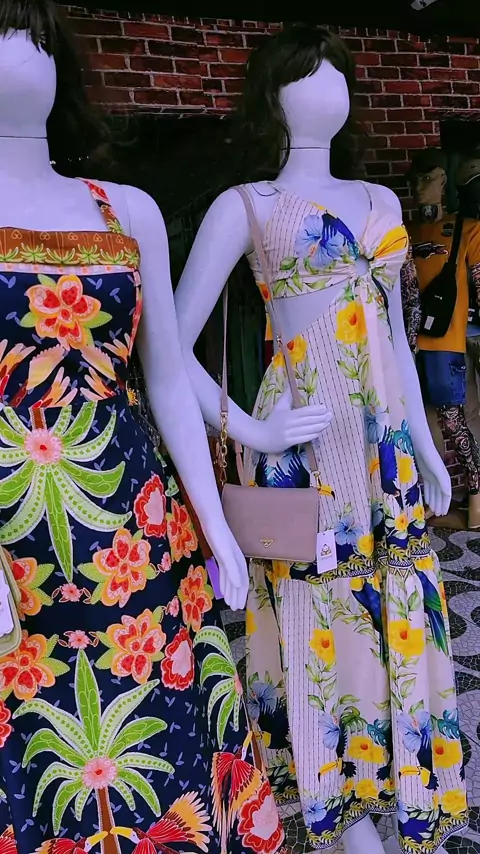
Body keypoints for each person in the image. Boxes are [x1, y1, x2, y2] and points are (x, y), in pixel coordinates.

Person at [0, 5, 286, 854]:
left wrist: (216, 522)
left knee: (162, 718)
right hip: (16, 531)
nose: (16, 56)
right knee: (40, 741)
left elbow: (163, 375)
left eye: (33, 37)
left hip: (137, 525)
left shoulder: (125, 211)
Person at [175, 24, 466, 854]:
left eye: (336, 72)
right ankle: (340, 810)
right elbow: (170, 346)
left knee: (395, 612)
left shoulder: (381, 202)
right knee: (319, 617)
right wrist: (254, 427)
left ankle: (393, 783)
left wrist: (427, 445)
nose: (324, 89)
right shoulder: (248, 205)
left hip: (384, 447)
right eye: (305, 73)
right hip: (302, 441)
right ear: (271, 95)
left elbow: (395, 338)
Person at [407, 148, 480, 528]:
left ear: (444, 182)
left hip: (445, 342)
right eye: (415, 179)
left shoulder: (467, 228)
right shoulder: (403, 231)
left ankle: (477, 496)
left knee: (453, 421)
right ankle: (433, 497)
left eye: (428, 178)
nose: (419, 187)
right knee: (418, 422)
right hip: (407, 344)